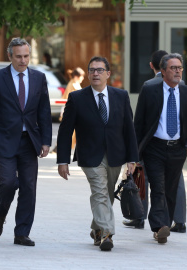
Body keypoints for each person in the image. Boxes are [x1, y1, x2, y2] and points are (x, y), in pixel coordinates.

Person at [57, 56, 139, 251]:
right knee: (100, 191)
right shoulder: (77, 98)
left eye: (100, 70)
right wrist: (62, 160)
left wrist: (132, 158)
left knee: (107, 194)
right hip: (89, 155)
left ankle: (96, 229)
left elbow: (129, 128)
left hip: (115, 154)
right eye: (92, 70)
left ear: (108, 74)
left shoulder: (121, 96)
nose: (95, 73)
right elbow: (65, 131)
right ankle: (107, 233)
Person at [0, 38, 52, 246]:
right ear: (10, 56)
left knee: (29, 187)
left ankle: (22, 233)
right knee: (8, 182)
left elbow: (44, 112)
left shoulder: (39, 78)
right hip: (4, 140)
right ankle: (0, 214)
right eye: (19, 56)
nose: (23, 60)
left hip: (30, 141)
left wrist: (46, 141)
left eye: (26, 56)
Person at [134, 53, 187, 244]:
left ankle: (164, 225)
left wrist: (186, 146)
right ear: (162, 71)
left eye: (180, 68)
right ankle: (159, 226)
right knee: (158, 188)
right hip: (154, 147)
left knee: (170, 189)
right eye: (173, 68)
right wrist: (135, 152)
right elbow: (139, 123)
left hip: (177, 149)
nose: (177, 71)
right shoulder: (150, 91)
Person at [123, 50, 187, 233]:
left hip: (151, 143)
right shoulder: (181, 85)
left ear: (152, 66)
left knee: (141, 175)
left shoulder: (149, 84)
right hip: (174, 145)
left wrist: (135, 147)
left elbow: (141, 120)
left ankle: (139, 216)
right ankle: (179, 220)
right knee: (176, 181)